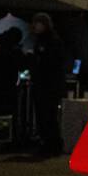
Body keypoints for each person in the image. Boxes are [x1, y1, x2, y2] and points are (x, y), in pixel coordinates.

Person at [29, 12, 66, 156]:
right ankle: (50, 143)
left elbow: (51, 62)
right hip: (46, 84)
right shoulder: (45, 40)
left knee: (47, 116)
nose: (35, 26)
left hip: (47, 85)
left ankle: (51, 144)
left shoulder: (50, 41)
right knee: (46, 116)